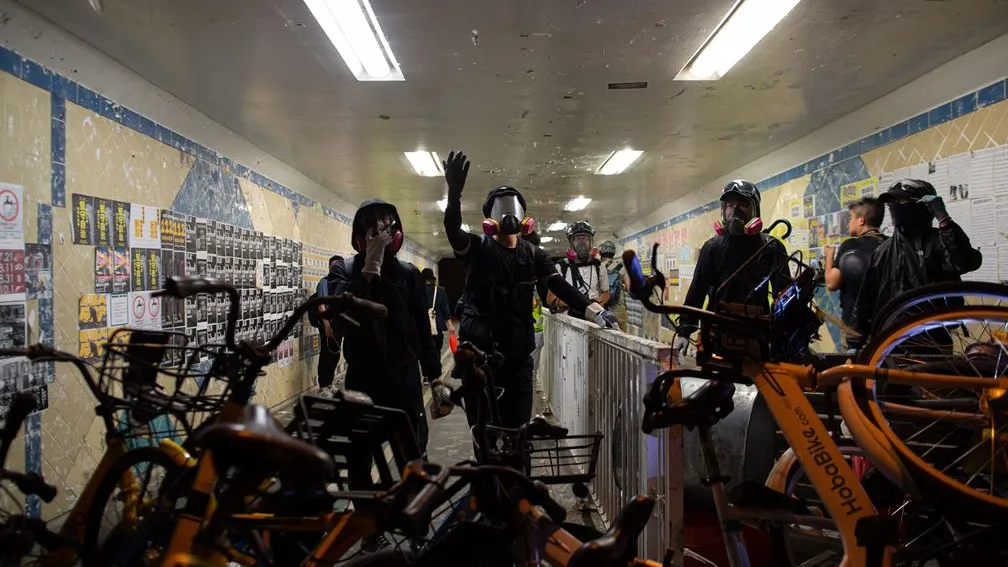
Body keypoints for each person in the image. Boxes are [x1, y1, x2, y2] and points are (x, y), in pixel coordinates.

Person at [441, 150, 618, 429]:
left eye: (513, 206)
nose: (508, 213)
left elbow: (560, 286)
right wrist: (454, 195)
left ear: (525, 218)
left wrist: (595, 311)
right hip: (479, 360)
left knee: (519, 432)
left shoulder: (534, 255)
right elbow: (453, 229)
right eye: (500, 207)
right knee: (483, 433)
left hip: (517, 361)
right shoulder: (477, 250)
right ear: (489, 219)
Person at [333, 199, 442, 552]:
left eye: (386, 227)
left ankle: (418, 528)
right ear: (359, 237)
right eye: (371, 229)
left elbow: (421, 332)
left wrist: (435, 377)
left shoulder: (409, 275)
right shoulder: (345, 274)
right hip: (363, 382)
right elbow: (341, 323)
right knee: (360, 459)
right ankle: (370, 528)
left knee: (415, 458)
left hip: (403, 381)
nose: (380, 234)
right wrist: (369, 269)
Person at [850, 179, 982, 344]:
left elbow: (964, 261)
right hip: (890, 339)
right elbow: (865, 299)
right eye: (892, 203)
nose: (895, 206)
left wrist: (943, 217)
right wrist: (855, 341)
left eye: (902, 201)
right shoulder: (883, 251)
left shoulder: (938, 241)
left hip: (933, 338)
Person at [677, 180, 792, 354]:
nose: (735, 210)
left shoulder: (771, 247)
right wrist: (684, 331)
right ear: (723, 210)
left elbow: (784, 295)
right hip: (716, 332)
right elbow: (698, 289)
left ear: (755, 210)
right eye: (730, 205)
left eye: (743, 204)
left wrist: (785, 336)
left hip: (757, 333)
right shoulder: (712, 248)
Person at [823, 199, 887, 349]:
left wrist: (829, 256)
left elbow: (832, 283)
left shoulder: (851, 245)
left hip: (854, 327)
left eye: (851, 218)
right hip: (885, 325)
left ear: (861, 220)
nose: (848, 223)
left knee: (853, 368)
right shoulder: (890, 245)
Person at [549, 221, 608, 314]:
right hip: (570, 319)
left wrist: (601, 302)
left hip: (594, 317)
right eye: (577, 239)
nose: (581, 242)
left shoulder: (599, 266)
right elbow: (550, 298)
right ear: (571, 242)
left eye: (585, 238)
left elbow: (606, 293)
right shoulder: (561, 267)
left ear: (591, 241)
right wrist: (576, 302)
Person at [314, 255, 346, 391]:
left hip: (338, 325)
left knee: (335, 354)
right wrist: (327, 325)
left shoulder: (342, 283)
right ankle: (323, 386)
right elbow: (321, 306)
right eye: (333, 266)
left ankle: (329, 383)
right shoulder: (324, 282)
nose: (336, 269)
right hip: (327, 325)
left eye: (338, 266)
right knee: (326, 354)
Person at [421, 268, 456, 352]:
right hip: (437, 326)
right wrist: (450, 325)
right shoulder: (440, 290)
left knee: (424, 353)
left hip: (422, 327)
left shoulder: (418, 290)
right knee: (436, 351)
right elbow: (445, 309)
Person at [599, 240, 629, 331]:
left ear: (601, 253)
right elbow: (629, 288)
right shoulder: (622, 267)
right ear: (614, 253)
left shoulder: (597, 267)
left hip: (601, 309)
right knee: (621, 337)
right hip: (618, 310)